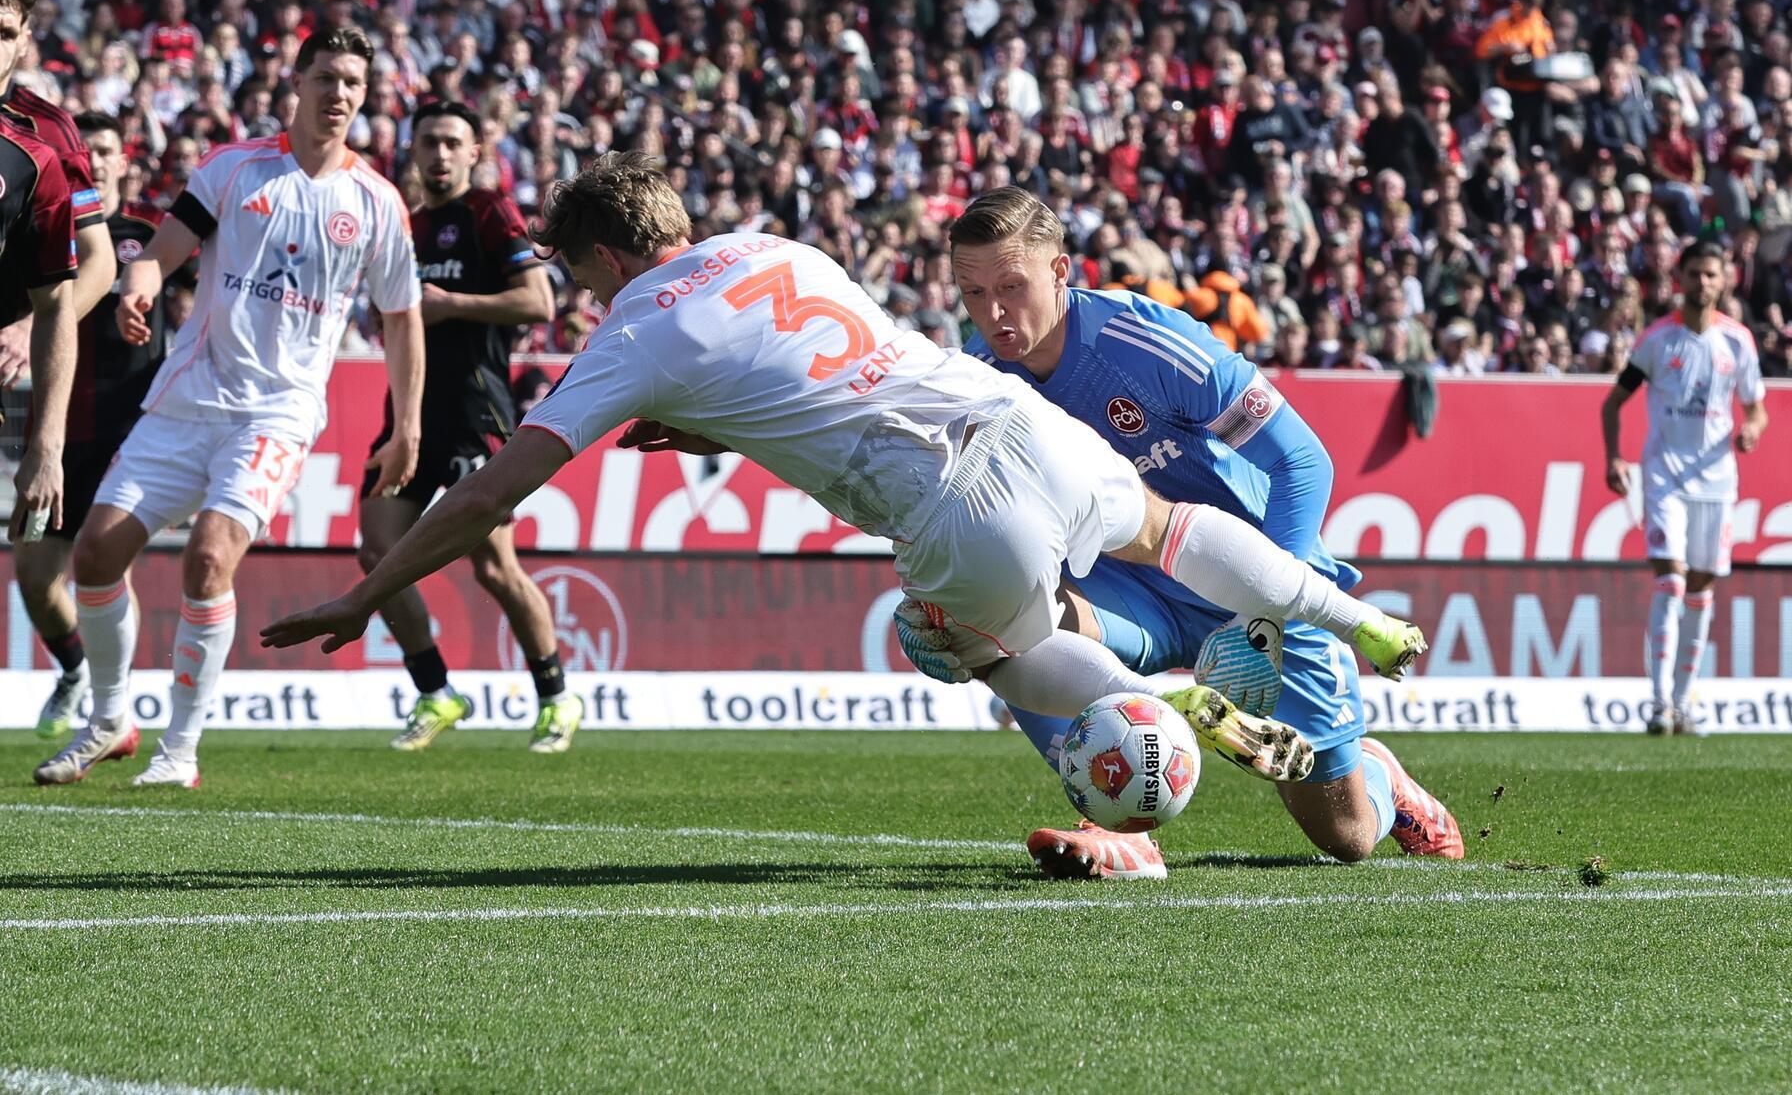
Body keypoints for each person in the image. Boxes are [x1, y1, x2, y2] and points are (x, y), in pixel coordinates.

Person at [263, 155, 1427, 798]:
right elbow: (813, 384)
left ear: (609, 260)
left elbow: (485, 497)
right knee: (1165, 527)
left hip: (948, 511)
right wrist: (714, 426)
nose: (589, 300)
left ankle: (1162, 705)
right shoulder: (785, 248)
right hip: (1014, 420)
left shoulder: (627, 332)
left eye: (585, 278)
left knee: (984, 646)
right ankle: (1355, 616)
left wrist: (368, 593)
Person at [900, 187, 1460, 881]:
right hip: (1126, 592)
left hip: (1252, 577)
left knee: (1346, 838)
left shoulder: (1141, 342)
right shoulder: (975, 386)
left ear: (1061, 272)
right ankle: (1121, 827)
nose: (993, 313)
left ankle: (1378, 774)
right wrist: (937, 612)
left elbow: (1301, 460)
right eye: (974, 291)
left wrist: (1268, 614)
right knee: (1003, 618)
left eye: (1011, 286)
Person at [34, 25, 425, 789]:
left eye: (352, 82)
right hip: (188, 397)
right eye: (325, 78)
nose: (338, 93)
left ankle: (180, 751)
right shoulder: (235, 168)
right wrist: (138, 293)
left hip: (277, 411)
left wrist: (406, 424)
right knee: (95, 553)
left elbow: (402, 319)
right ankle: (110, 719)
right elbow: (158, 254)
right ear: (298, 81)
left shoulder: (375, 203)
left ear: (364, 94)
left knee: (210, 555)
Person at [356, 100, 573, 753]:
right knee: (376, 554)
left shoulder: (489, 212)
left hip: (477, 417)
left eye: (453, 142)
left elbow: (538, 300)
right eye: (429, 142)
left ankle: (557, 698)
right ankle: (435, 689)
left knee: (495, 567)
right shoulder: (405, 225)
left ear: (475, 152)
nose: (440, 154)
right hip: (409, 419)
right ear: (414, 150)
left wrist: (454, 306)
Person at [20, 112, 187, 738]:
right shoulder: (45, 223)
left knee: (107, 565)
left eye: (106, 148)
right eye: (84, 147)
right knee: (35, 579)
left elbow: (205, 284)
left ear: (122, 161)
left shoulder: (149, 230)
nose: (94, 155)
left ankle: (111, 712)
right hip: (58, 425)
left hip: (129, 427)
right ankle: (76, 671)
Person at [1602, 243, 1768, 735]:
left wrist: (1753, 428)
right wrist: (1614, 455)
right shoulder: (1658, 340)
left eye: (1711, 274)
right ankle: (1657, 705)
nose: (1702, 282)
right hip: (1665, 475)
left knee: (1700, 588)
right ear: (1681, 277)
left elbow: (1756, 405)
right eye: (1694, 273)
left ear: (1725, 280)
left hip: (1717, 481)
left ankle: (1683, 701)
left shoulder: (1737, 342)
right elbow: (1613, 403)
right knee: (1671, 581)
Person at [0, 0, 119, 389]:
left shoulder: (50, 129)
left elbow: (99, 261)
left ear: (25, 41)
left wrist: (28, 329)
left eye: (6, 33)